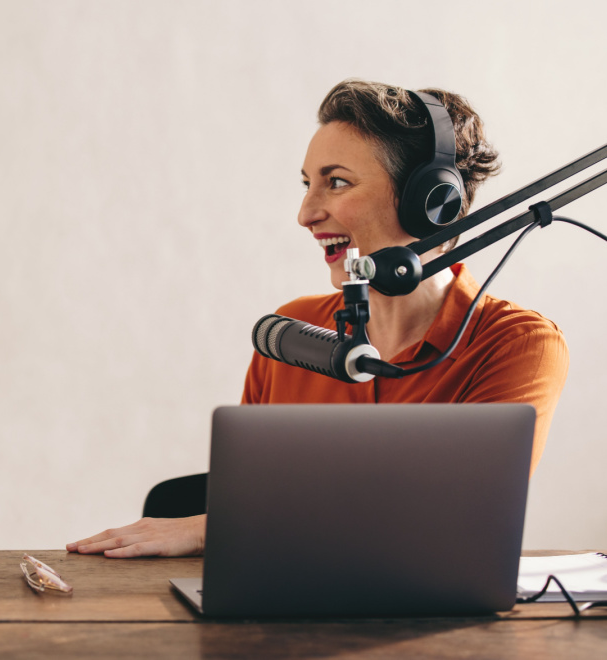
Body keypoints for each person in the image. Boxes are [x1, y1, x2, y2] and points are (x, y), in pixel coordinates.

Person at [67, 79, 568, 559]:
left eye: (336, 183)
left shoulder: (517, 345)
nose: (306, 213)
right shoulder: (292, 333)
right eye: (308, 184)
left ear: (431, 204)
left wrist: (211, 527)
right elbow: (254, 500)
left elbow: (455, 521)